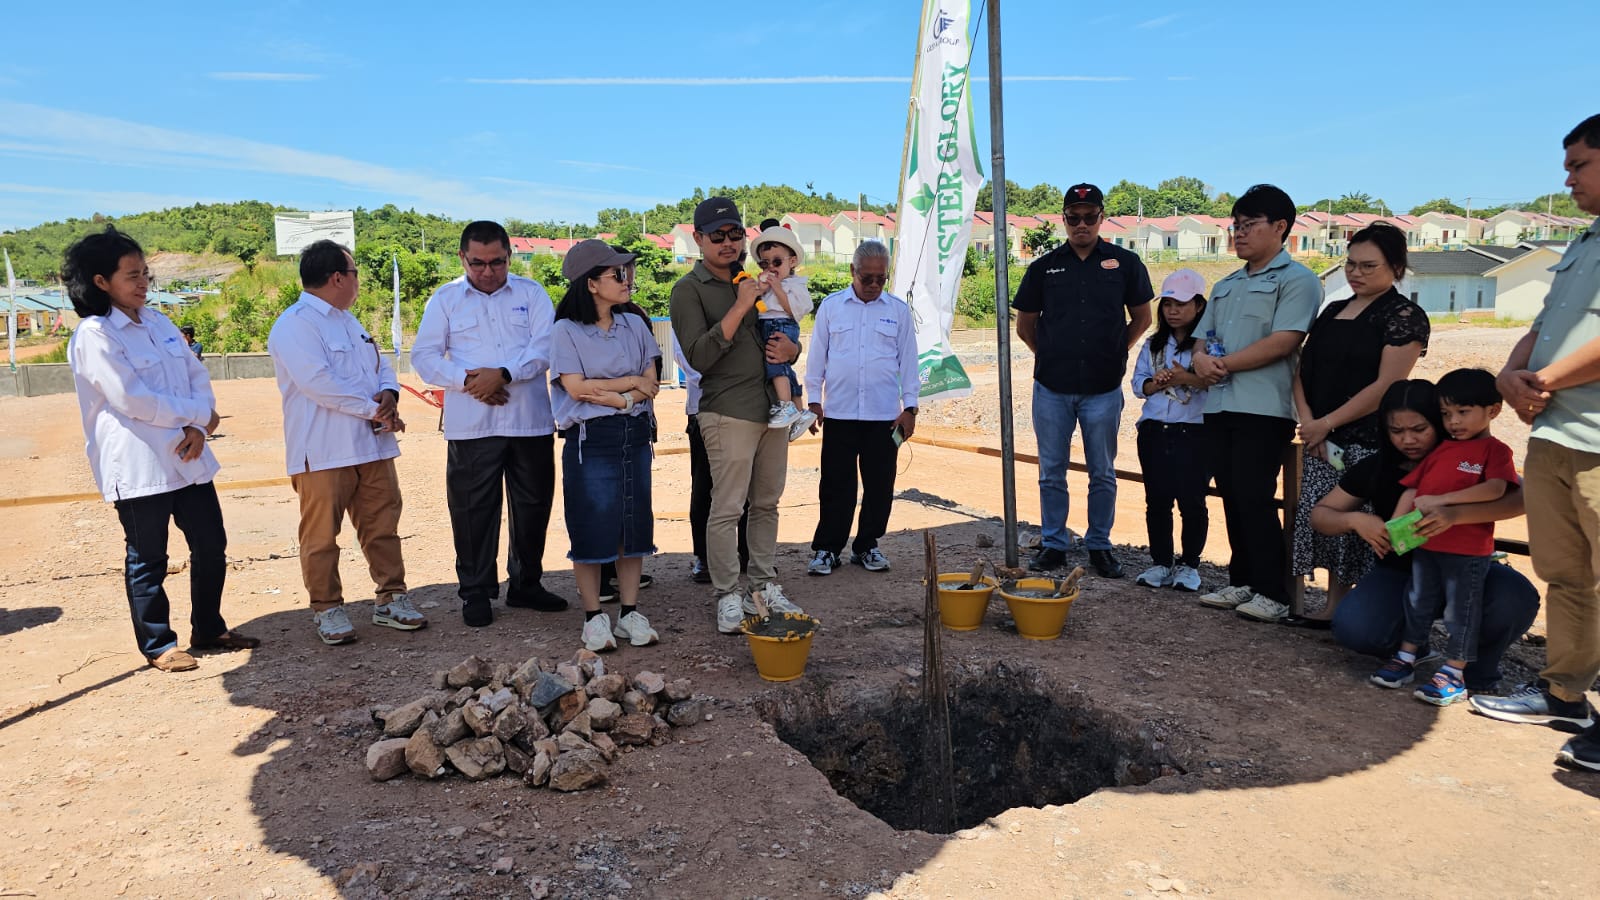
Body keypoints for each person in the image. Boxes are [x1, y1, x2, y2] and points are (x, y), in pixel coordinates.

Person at [64, 226, 257, 671]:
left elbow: (195, 376)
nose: (143, 282)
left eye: (145, 273)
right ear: (100, 282)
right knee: (149, 556)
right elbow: (132, 399)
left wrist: (198, 423)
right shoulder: (95, 336)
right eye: (131, 275)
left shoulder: (159, 322)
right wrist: (195, 415)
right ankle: (159, 644)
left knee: (211, 544)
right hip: (139, 462)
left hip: (188, 455)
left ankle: (208, 628)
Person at [1474, 113, 1600, 772]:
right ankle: (1566, 694)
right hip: (1557, 434)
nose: (1568, 178)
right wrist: (1508, 373)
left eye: (1579, 165)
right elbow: (1546, 325)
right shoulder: (1585, 242)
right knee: (1567, 575)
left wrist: (1542, 380)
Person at [1317, 379, 1539, 692]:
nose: (1408, 440)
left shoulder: (1467, 456)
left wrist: (1456, 515)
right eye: (1397, 431)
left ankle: (1478, 667)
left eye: (1419, 429)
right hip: (1401, 573)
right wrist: (1355, 520)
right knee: (1356, 629)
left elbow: (1521, 497)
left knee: (1516, 596)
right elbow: (1321, 515)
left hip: (1467, 567)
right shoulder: (1377, 466)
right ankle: (1411, 648)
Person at [266, 240, 427, 645]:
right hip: (322, 450)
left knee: (383, 525)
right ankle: (327, 607)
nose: (357, 281)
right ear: (338, 277)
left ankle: (391, 598)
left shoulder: (348, 320)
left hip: (371, 445)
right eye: (354, 273)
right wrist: (376, 411)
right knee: (321, 536)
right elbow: (318, 383)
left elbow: (381, 365)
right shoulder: (295, 324)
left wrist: (390, 393)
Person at [411, 221, 568, 628]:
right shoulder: (445, 300)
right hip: (472, 425)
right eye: (478, 263)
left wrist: (504, 373)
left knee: (533, 507)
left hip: (529, 422)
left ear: (508, 257)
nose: (487, 271)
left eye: (497, 262)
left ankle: (526, 585)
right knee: (472, 511)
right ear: (463, 258)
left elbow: (545, 346)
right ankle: (476, 592)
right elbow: (425, 357)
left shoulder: (531, 294)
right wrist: (470, 381)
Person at [669, 197, 805, 634]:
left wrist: (794, 350)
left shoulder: (759, 276)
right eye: (717, 237)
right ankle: (728, 594)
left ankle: (764, 585)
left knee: (767, 503)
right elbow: (698, 356)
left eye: (735, 235)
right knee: (726, 508)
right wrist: (740, 305)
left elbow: (787, 330)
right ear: (699, 239)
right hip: (728, 410)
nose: (728, 244)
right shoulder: (689, 290)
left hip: (773, 410)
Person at [1287, 223, 1428, 627]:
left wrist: (1326, 423)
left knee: (1365, 523)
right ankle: (1333, 604)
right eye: (1351, 264)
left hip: (1368, 441)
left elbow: (1387, 386)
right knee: (1325, 518)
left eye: (1368, 265)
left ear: (1396, 267)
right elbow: (1302, 370)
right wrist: (1310, 423)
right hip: (1320, 438)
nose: (1356, 273)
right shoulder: (1331, 310)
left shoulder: (1404, 316)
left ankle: (1368, 611)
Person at [1192, 184, 1322, 622]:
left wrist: (1220, 364)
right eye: (1236, 226)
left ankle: (1274, 592)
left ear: (1280, 227)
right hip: (1219, 405)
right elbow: (1199, 342)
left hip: (1262, 408)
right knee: (1230, 494)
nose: (1239, 234)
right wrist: (1200, 361)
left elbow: (1284, 342)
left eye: (1249, 225)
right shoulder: (1226, 284)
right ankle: (1241, 581)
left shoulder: (1297, 280)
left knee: (1255, 496)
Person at [1012, 183, 1154, 578]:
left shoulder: (1125, 263)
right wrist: (1050, 354)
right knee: (1051, 470)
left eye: (1089, 216)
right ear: (1064, 220)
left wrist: (1117, 351)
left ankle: (1099, 544)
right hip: (1052, 388)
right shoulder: (1044, 267)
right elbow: (1025, 325)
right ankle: (1055, 543)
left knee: (1102, 471)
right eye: (1073, 217)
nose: (1082, 224)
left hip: (1103, 388)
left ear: (1101, 218)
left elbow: (1143, 318)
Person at [1369, 369, 1516, 705]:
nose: (1454, 422)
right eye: (1447, 414)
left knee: (1461, 612)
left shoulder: (1495, 451)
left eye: (1463, 413)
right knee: (1417, 602)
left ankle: (1454, 672)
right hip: (1427, 547)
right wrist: (1395, 527)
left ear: (1493, 411)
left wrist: (1443, 502)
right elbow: (1413, 489)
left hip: (1468, 552)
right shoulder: (1442, 450)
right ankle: (1406, 657)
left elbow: (1495, 489)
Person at [549, 239, 662, 652]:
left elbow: (652, 382)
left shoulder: (634, 323)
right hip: (590, 440)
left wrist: (624, 397)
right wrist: (629, 384)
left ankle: (629, 612)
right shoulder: (565, 330)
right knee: (591, 523)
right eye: (618, 274)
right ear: (591, 283)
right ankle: (594, 617)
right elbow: (576, 388)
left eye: (626, 272)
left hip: (633, 434)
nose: (627, 279)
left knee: (632, 524)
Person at [803, 241, 919, 576]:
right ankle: (827, 549)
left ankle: (867, 545)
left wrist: (910, 408)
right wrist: (814, 400)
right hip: (839, 414)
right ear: (852, 272)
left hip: (884, 417)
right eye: (866, 277)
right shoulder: (831, 307)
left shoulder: (897, 311)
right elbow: (817, 358)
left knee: (880, 484)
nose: (872, 285)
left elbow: (908, 362)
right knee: (836, 484)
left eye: (879, 279)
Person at [1129, 269, 1210, 592]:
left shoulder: (1207, 345)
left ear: (1199, 306)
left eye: (1181, 304)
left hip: (1194, 431)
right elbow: (1138, 384)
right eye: (1167, 304)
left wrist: (1182, 378)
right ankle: (1161, 562)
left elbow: (1215, 382)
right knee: (1157, 499)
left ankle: (1190, 565)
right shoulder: (1153, 344)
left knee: (1192, 500)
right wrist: (1154, 383)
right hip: (1155, 429)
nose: (1173, 311)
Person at [672, 330, 749, 583]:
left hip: (745, 408)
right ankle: (705, 557)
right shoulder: (688, 298)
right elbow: (686, 359)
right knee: (705, 486)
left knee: (747, 484)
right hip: (703, 409)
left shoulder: (747, 299)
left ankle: (748, 553)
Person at [750, 225, 817, 436]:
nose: (771, 267)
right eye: (765, 263)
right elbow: (759, 308)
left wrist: (777, 288)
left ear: (792, 261)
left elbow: (794, 310)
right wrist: (760, 293)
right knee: (786, 369)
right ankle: (800, 411)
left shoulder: (794, 285)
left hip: (781, 324)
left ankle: (785, 405)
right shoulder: (769, 285)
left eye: (777, 262)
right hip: (768, 323)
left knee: (775, 364)